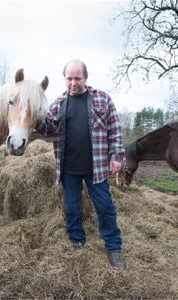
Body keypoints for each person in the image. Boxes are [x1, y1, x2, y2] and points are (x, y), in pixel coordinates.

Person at [36, 59, 126, 270]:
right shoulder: (58, 103)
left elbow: (115, 129)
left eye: (78, 78)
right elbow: (48, 128)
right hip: (68, 169)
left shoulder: (102, 99)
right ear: (64, 79)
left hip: (97, 168)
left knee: (105, 208)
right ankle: (77, 241)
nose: (73, 83)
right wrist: (33, 115)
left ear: (86, 78)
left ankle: (114, 248)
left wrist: (116, 156)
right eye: (69, 78)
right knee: (73, 209)